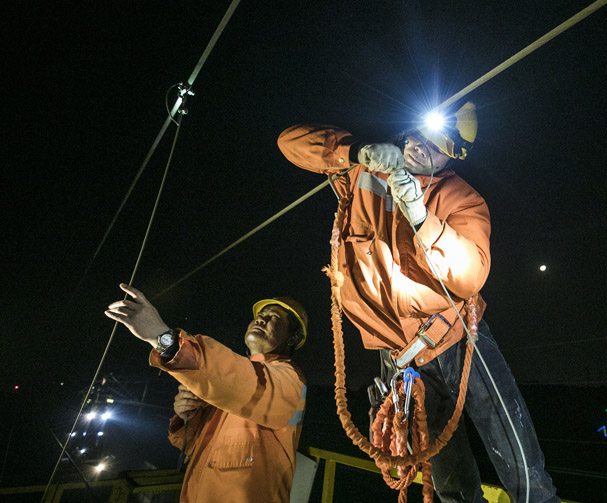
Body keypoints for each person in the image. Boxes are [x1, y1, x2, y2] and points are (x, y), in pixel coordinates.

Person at [278, 104, 559, 503]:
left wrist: (421, 215)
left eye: (435, 145)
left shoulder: (461, 198)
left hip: (457, 341)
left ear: (453, 155)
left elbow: (470, 274)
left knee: (519, 462)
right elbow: (291, 142)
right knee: (447, 479)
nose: (420, 147)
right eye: (418, 136)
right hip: (401, 357)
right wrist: (356, 151)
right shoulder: (364, 173)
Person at [104, 284, 309, 503]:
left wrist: (163, 337)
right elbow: (197, 446)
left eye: (274, 317)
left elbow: (239, 378)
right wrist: (187, 417)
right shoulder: (233, 380)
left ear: (292, 339)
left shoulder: (290, 380)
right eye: (260, 315)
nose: (261, 319)